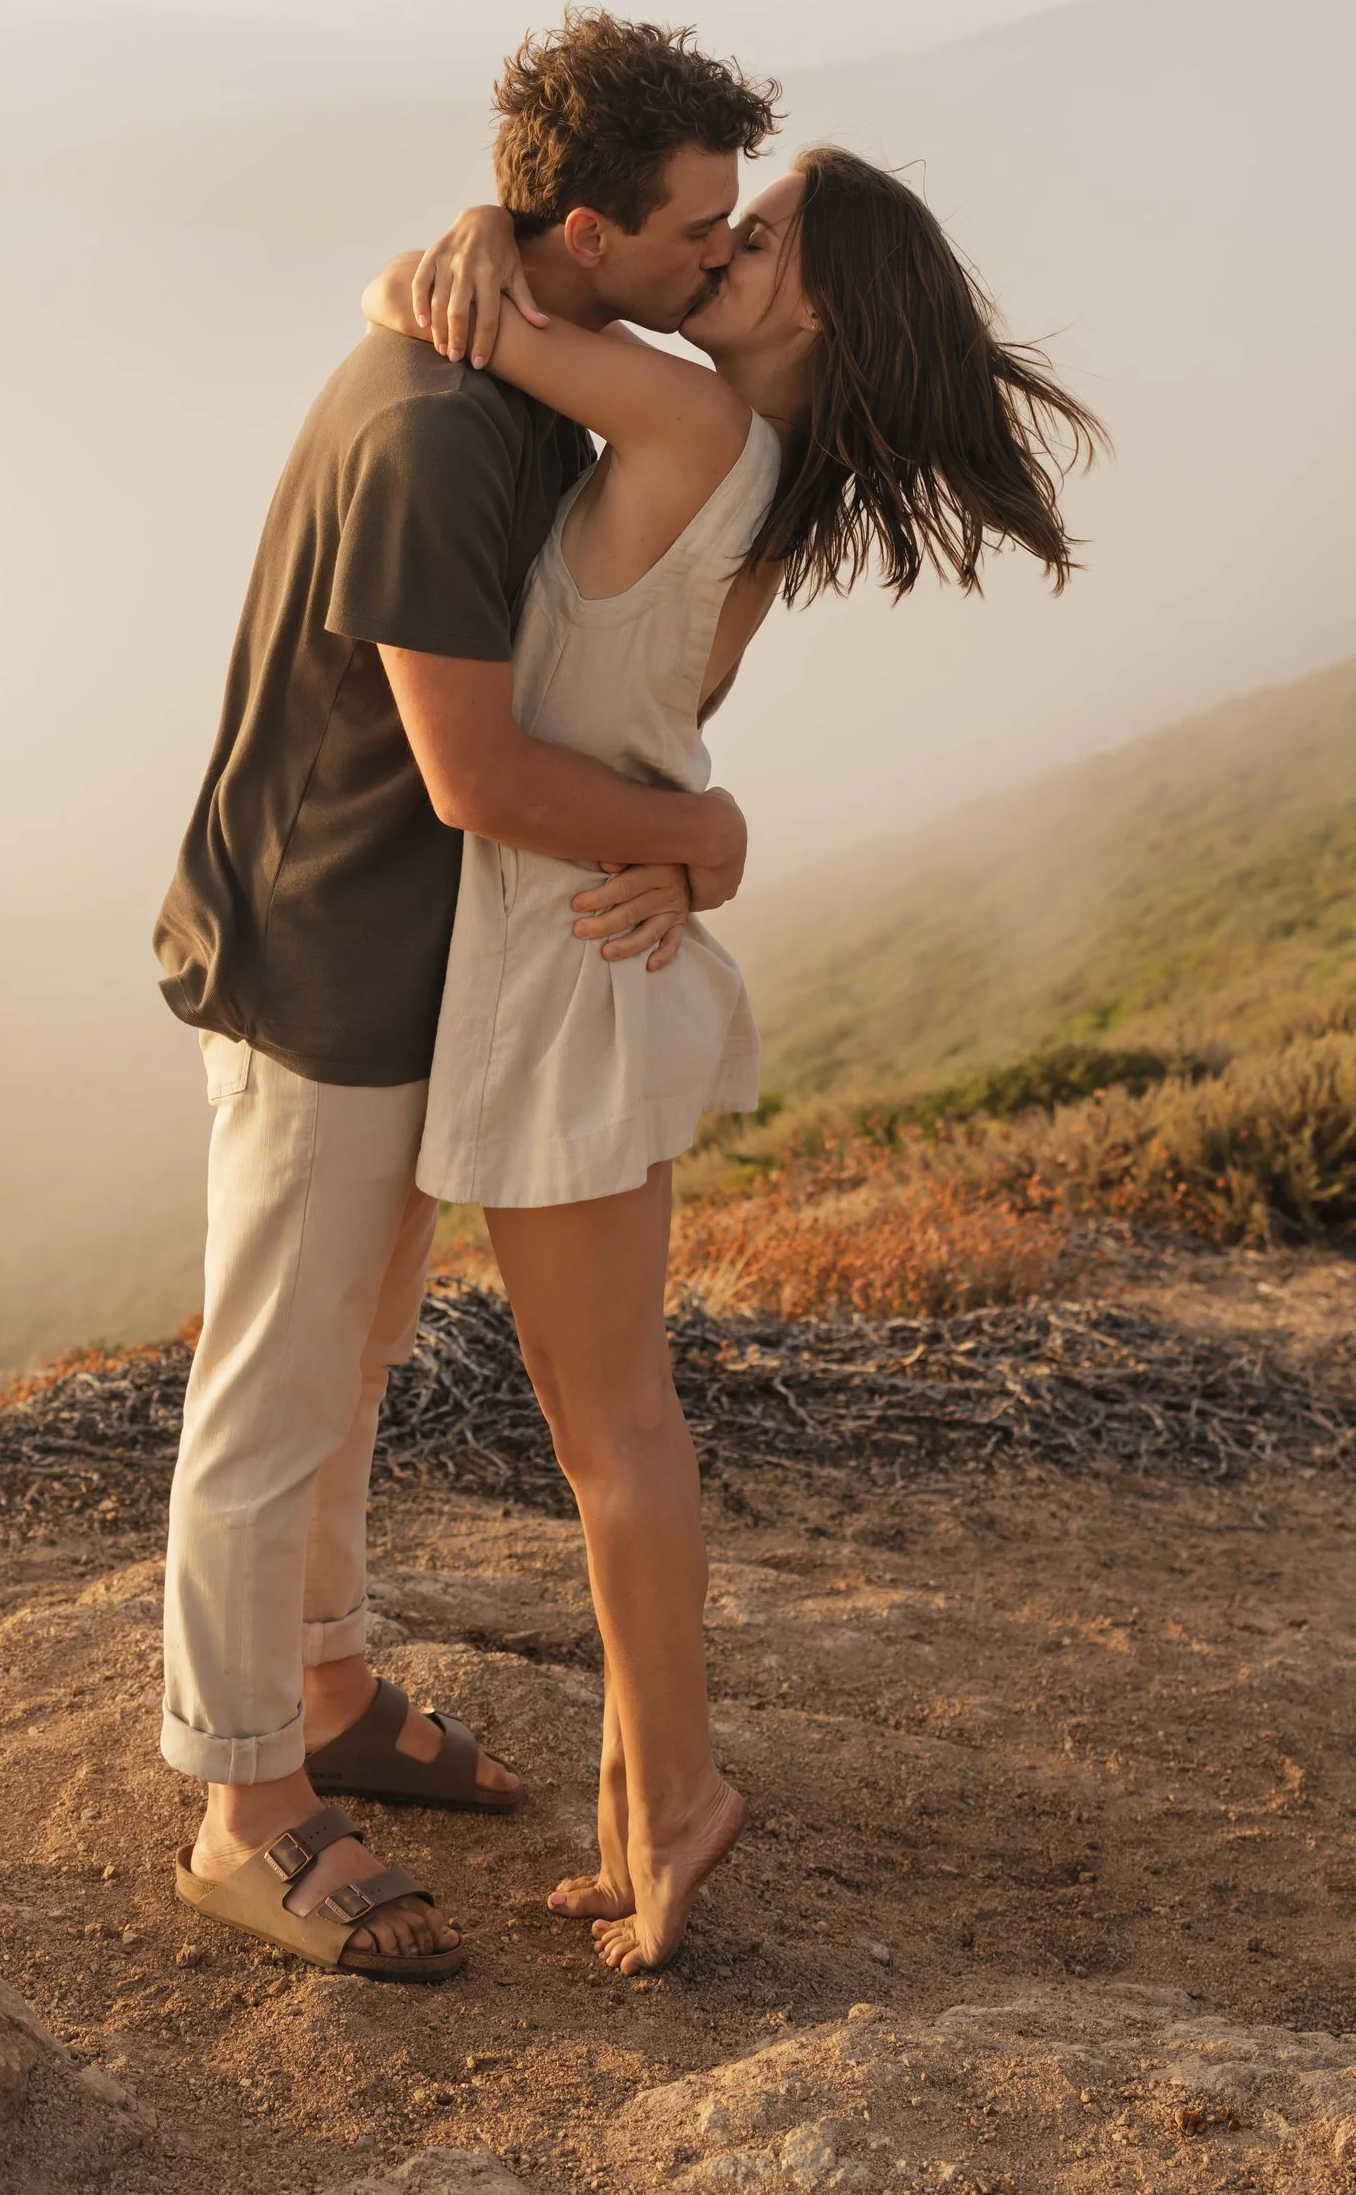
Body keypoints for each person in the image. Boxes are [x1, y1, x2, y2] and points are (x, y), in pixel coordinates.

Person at [363, 139, 1101, 1971]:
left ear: (819, 299)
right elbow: (664, 749)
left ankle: (681, 1801)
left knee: (615, 1433)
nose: (721, 244)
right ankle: (640, 1801)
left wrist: (476, 233)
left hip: (563, 978)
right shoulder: (753, 481)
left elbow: (424, 308)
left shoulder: (695, 426)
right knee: (611, 1425)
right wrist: (701, 844)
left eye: (755, 235)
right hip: (590, 954)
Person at [154, 13, 780, 1982]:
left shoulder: (519, 371)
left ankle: (323, 1689)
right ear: (585, 229)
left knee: (341, 1366)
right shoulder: (439, 433)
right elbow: (478, 779)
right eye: (695, 232)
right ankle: (244, 1807)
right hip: (326, 956)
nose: (714, 262)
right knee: (269, 1391)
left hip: (411, 960)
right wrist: (701, 837)